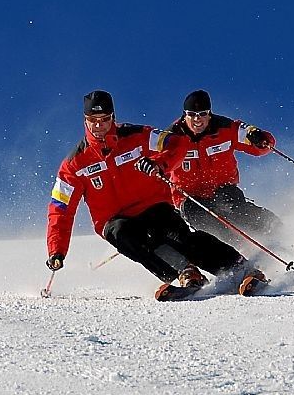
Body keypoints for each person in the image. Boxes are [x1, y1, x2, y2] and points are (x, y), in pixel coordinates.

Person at [46, 90, 265, 300]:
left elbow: (178, 143)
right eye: (92, 119)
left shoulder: (138, 136)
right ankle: (185, 273)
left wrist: (160, 164)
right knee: (126, 236)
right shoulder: (74, 164)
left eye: (104, 119)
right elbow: (60, 209)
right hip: (113, 219)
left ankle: (241, 269)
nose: (98, 125)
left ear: (113, 117)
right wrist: (57, 250)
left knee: (180, 238)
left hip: (152, 205)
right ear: (85, 120)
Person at [163, 89, 282, 244]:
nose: (197, 119)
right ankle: (237, 247)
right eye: (192, 114)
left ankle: (276, 229)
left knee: (234, 207)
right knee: (200, 216)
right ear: (185, 115)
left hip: (222, 186)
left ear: (209, 114)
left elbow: (258, 144)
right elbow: (158, 167)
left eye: (202, 114)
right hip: (188, 196)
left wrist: (260, 139)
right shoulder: (172, 137)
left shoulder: (225, 128)